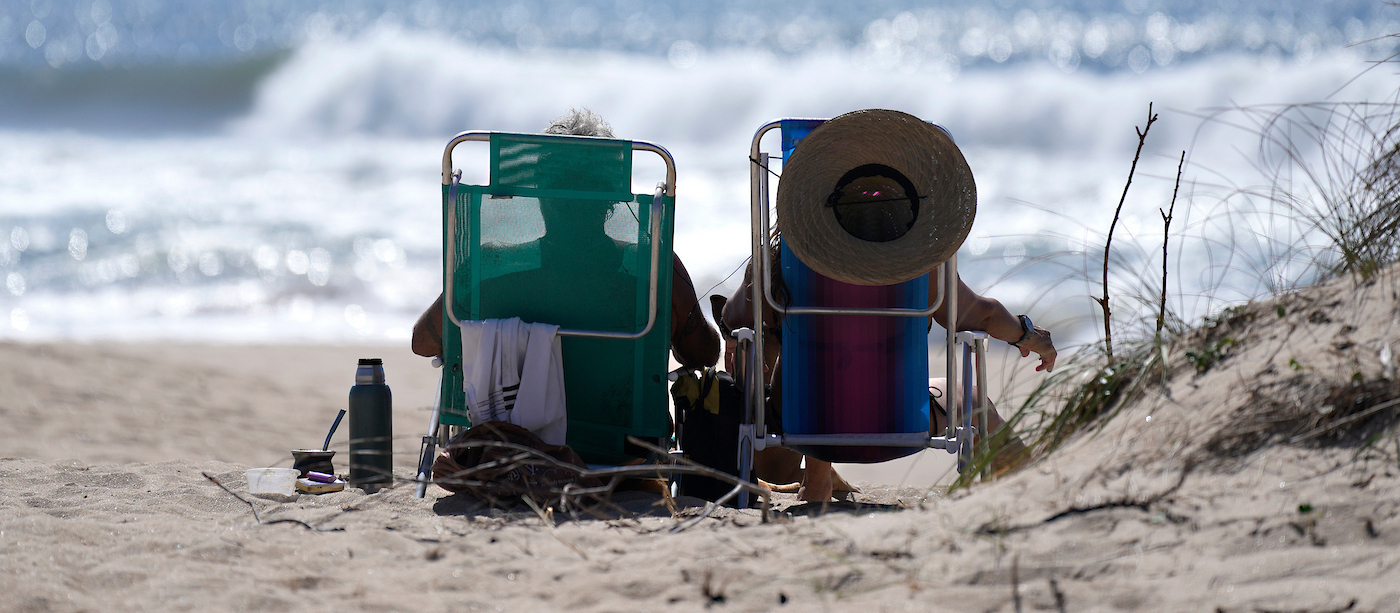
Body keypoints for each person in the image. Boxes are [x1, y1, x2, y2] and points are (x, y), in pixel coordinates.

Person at [721, 241, 1057, 503]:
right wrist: (1028, 335)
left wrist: (746, 339)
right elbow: (981, 316)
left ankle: (818, 476)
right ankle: (1028, 495)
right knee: (972, 399)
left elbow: (733, 319)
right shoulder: (919, 262)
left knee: (810, 360)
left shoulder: (781, 259)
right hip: (897, 423)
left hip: (799, 424)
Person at [411, 108, 720, 371]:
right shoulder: (653, 269)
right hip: (626, 439)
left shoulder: (492, 267)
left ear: (539, 192)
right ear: (612, 194)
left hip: (509, 435)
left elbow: (423, 342)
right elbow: (704, 355)